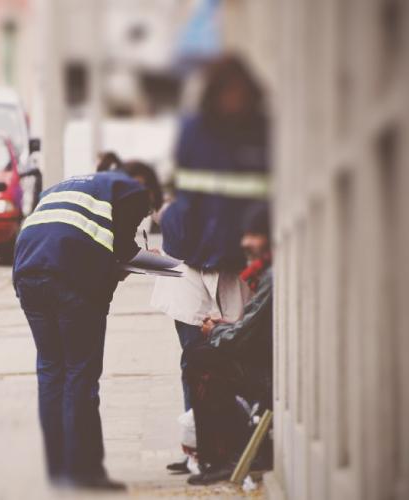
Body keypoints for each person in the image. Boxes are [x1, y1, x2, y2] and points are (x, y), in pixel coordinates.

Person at [151, 54, 269, 474]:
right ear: (215, 95)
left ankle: (230, 446)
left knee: (234, 357)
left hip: (235, 265)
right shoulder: (193, 131)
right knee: (194, 359)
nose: (233, 101)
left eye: (240, 94)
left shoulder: (261, 132)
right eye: (226, 93)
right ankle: (197, 448)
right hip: (188, 261)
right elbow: (186, 190)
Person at [13, 163, 161, 490]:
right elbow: (121, 250)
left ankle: (58, 469)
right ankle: (84, 472)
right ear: (149, 193)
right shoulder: (134, 192)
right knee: (80, 373)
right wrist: (147, 260)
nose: (144, 216)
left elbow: (89, 242)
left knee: (51, 372)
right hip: (69, 282)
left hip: (27, 274)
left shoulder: (61, 187)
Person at [184, 203, 273, 485]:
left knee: (201, 359)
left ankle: (224, 456)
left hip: (268, 374)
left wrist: (215, 332)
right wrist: (224, 327)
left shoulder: (272, 275)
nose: (246, 243)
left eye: (254, 235)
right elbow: (249, 327)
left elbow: (242, 336)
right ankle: (220, 453)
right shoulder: (268, 270)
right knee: (200, 355)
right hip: (267, 362)